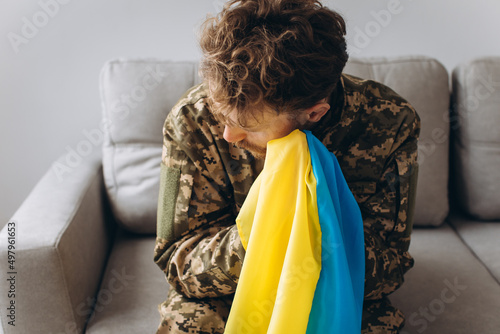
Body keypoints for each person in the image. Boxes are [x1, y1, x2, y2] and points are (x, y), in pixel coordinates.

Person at [154, 0, 420, 333]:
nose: (227, 134)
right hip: (228, 291)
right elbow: (176, 261)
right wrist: (262, 233)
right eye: (222, 115)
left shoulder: (389, 122)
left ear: (315, 113)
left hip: (339, 288)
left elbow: (391, 268)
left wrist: (318, 235)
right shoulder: (191, 120)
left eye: (247, 126)